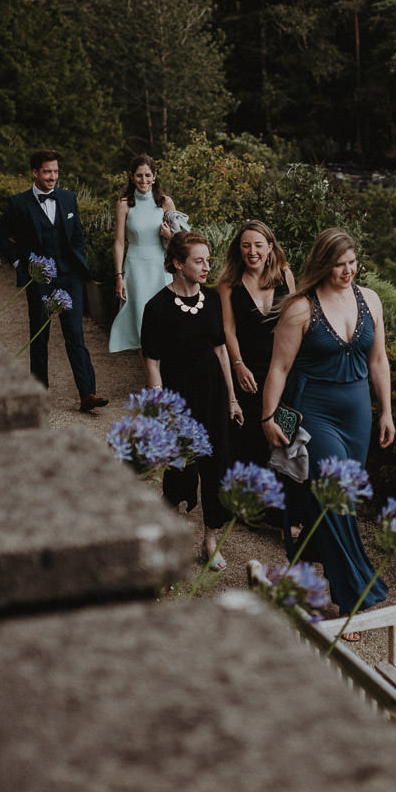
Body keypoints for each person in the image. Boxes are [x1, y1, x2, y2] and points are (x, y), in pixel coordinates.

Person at [261, 228, 395, 621]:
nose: (347, 271)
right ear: (322, 264)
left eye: (352, 263)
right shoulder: (300, 308)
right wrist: (267, 417)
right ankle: (354, 596)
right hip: (314, 412)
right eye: (339, 265)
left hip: (357, 415)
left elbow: (378, 360)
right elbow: (279, 368)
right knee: (335, 497)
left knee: (341, 501)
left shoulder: (370, 300)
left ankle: (305, 571)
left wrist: (386, 410)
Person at [142, 231, 241, 568]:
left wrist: (232, 398)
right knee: (179, 469)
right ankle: (166, 537)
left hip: (213, 396)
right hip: (178, 401)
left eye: (208, 260)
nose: (206, 266)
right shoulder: (155, 307)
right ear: (177, 264)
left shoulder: (212, 299)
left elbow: (221, 351)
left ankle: (210, 540)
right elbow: (152, 363)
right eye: (198, 261)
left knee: (216, 467)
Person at [0, 149, 107, 411]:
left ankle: (87, 394)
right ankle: (38, 393)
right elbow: (0, 235)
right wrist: (18, 264)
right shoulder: (18, 203)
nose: (52, 177)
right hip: (39, 279)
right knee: (40, 335)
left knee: (75, 335)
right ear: (35, 172)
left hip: (69, 278)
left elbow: (77, 235)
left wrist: (77, 259)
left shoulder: (69, 199)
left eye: (56, 171)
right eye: (47, 172)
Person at [217, 220, 295, 472]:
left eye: (259, 245)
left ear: (270, 247)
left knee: (283, 439)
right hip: (248, 371)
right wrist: (238, 365)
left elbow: (294, 322)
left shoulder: (285, 275)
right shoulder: (228, 282)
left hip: (282, 368)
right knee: (249, 441)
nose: (252, 252)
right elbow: (228, 328)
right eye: (246, 245)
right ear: (238, 249)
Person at [108, 154, 176, 355]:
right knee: (141, 326)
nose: (143, 180)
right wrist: (119, 277)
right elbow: (119, 243)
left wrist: (169, 234)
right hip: (135, 269)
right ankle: (151, 384)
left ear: (154, 176)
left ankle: (168, 380)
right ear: (132, 177)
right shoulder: (124, 204)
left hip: (160, 268)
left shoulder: (165, 202)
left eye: (148, 175)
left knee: (165, 324)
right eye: (139, 175)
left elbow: (182, 240)